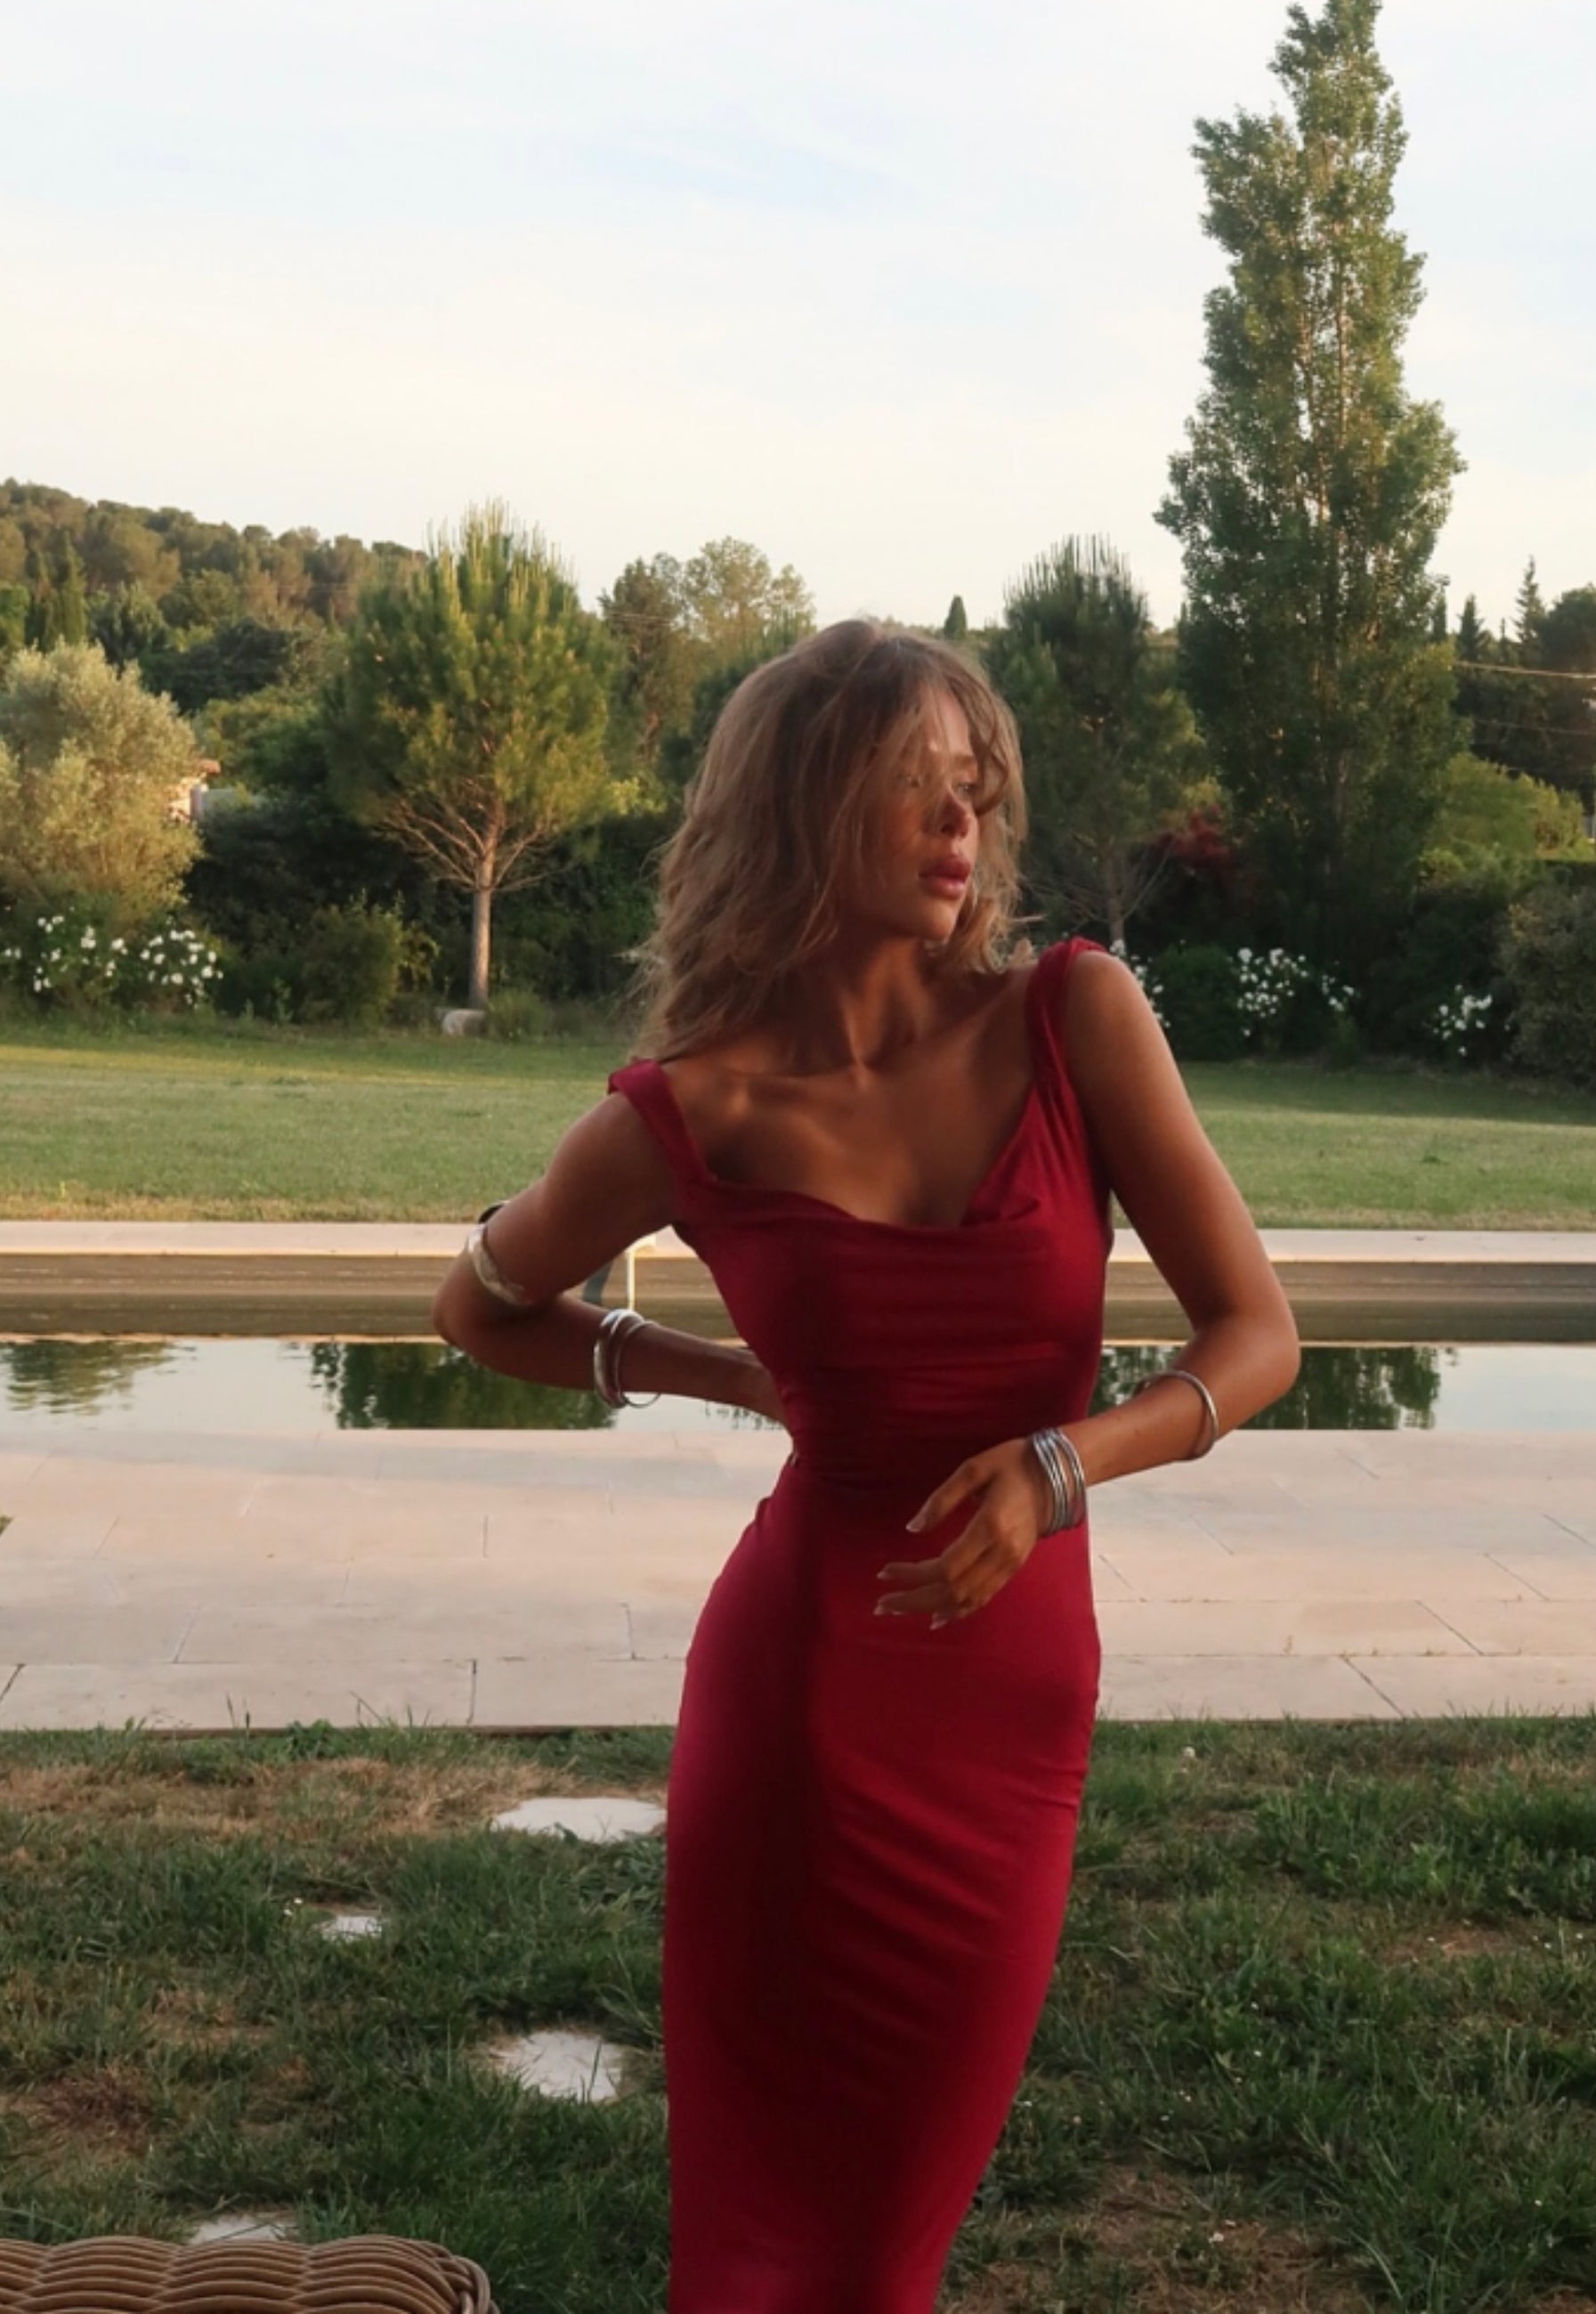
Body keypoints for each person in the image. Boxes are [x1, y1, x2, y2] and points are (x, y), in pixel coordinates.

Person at [432, 619, 1301, 2313]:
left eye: (975, 789)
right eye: (916, 790)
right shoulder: (690, 1112)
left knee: (891, 2230)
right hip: (796, 1705)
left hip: (1003, 1710)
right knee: (754, 2238)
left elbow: (1255, 1335)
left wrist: (1059, 1465)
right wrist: (719, 1373)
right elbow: (479, 1303)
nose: (962, 827)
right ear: (801, 812)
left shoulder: (1073, 1015)